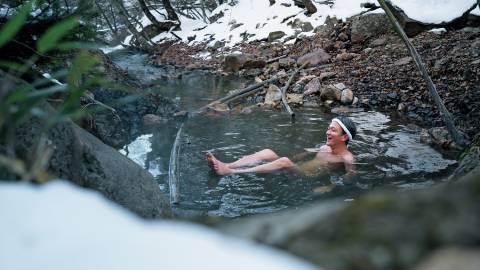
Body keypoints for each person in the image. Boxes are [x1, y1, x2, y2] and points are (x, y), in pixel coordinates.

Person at [206, 116, 357, 179]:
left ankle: (230, 172)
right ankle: (226, 165)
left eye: (332, 130)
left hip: (304, 177)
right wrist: (293, 160)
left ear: (344, 137)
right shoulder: (325, 148)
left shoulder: (347, 158)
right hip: (297, 168)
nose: (327, 132)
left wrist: (329, 188)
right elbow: (304, 155)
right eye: (328, 128)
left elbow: (350, 177)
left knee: (284, 160)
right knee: (268, 152)